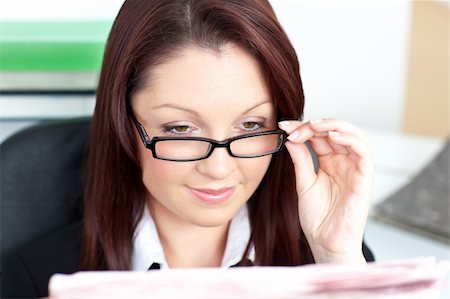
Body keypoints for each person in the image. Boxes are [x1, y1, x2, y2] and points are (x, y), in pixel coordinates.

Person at [3, 0, 374, 297]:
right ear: (124, 122)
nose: (218, 168)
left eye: (251, 125)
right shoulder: (40, 278)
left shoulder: (335, 265)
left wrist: (336, 258)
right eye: (181, 129)